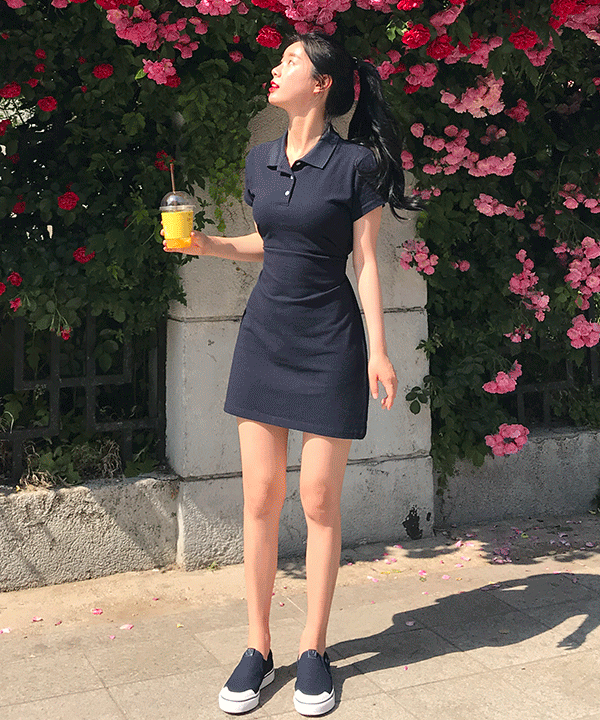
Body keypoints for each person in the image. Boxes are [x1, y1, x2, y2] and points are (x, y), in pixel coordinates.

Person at [164, 31, 424, 717]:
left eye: (290, 61)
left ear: (323, 84)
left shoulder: (356, 165)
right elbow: (272, 243)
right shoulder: (260, 159)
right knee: (258, 498)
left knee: (317, 499)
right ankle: (257, 647)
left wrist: (378, 349)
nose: (276, 69)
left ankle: (314, 649)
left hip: (331, 341)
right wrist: (208, 244)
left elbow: (364, 261)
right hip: (265, 337)